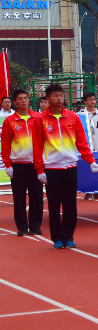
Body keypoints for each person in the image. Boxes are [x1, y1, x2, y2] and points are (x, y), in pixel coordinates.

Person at [32, 83, 98, 249]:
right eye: (55, 96)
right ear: (48, 98)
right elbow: (37, 146)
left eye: (61, 95)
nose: (59, 98)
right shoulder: (40, 120)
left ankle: (68, 236)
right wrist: (40, 169)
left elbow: (82, 142)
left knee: (70, 204)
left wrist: (90, 160)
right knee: (54, 204)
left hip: (70, 166)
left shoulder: (72, 117)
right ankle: (57, 238)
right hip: (51, 168)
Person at [2, 89, 43, 236]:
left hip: (36, 164)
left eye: (26, 98)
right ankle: (22, 227)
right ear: (15, 102)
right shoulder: (9, 121)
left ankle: (35, 225)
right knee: (19, 197)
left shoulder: (38, 118)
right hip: (18, 164)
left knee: (37, 196)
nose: (24, 101)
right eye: (20, 99)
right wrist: (8, 164)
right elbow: (5, 144)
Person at [77, 92, 98, 200]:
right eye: (90, 99)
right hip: (87, 145)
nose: (92, 101)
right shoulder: (80, 115)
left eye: (94, 99)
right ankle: (88, 191)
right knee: (88, 167)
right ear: (85, 102)